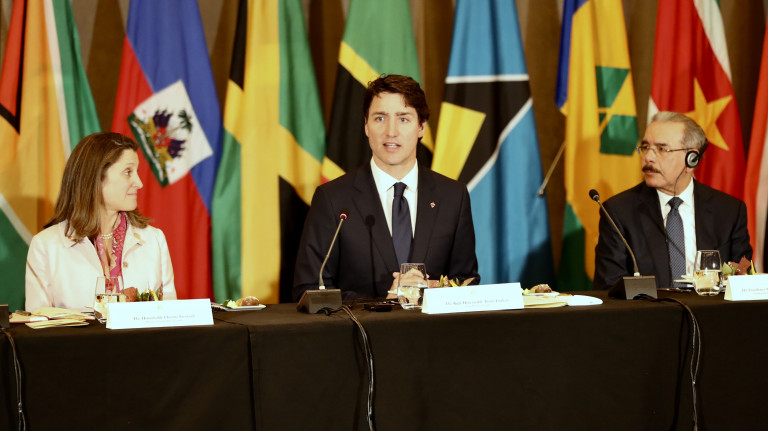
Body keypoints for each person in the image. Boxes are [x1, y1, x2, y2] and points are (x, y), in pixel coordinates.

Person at [293, 74, 480, 301]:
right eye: (380, 118)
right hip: (360, 325)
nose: (391, 131)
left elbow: (466, 282)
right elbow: (310, 290)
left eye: (403, 119)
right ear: (366, 125)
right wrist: (386, 299)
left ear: (421, 127)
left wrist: (434, 292)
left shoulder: (453, 196)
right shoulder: (333, 199)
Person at [594, 111, 752, 290]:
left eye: (662, 149)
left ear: (691, 159)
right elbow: (609, 288)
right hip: (648, 308)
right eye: (645, 147)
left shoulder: (729, 211)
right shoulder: (618, 212)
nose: (648, 157)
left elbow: (743, 281)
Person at [25, 132, 176, 311]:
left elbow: (169, 317)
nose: (139, 183)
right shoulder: (45, 246)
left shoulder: (154, 240)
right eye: (128, 172)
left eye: (136, 172)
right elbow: (38, 323)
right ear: (96, 177)